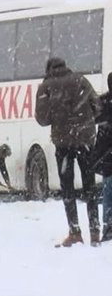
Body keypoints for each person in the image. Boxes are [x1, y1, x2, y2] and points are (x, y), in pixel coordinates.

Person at [36, 57, 100, 247]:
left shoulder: (46, 86)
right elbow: (97, 106)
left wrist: (59, 115)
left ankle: (75, 232)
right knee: (90, 186)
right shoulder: (81, 80)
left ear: (49, 69)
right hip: (86, 140)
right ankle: (95, 232)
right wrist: (84, 123)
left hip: (64, 144)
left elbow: (42, 119)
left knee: (67, 187)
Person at [93, 72, 112, 242]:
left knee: (108, 192)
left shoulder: (104, 102)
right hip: (108, 156)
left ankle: (108, 227)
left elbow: (95, 117)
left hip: (108, 157)